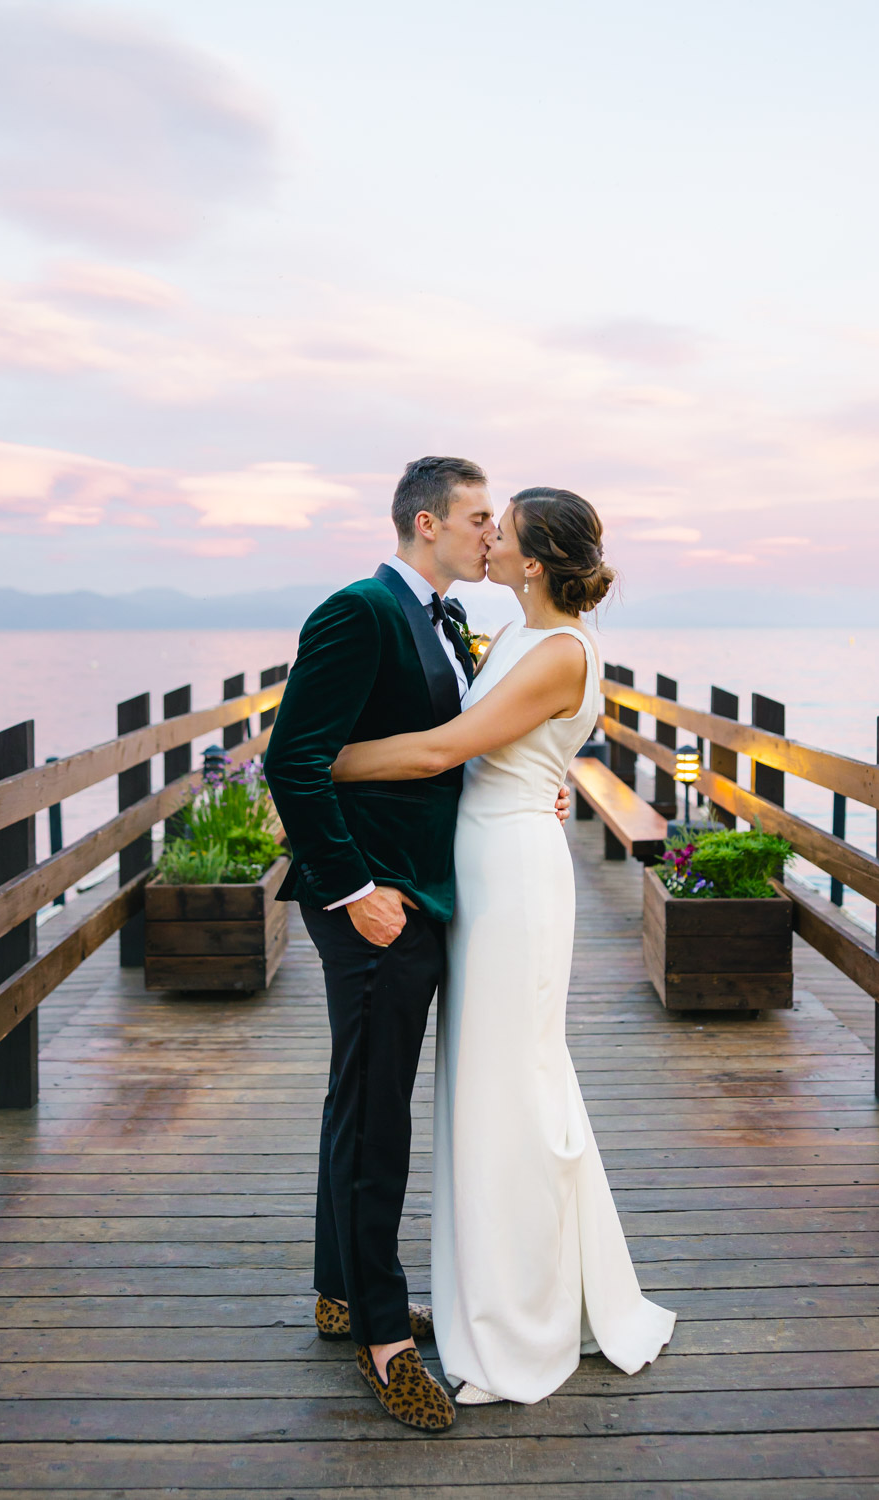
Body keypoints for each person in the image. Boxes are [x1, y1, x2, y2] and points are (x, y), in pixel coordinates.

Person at [331, 486, 677, 1407]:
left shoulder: (560, 648)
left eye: (503, 528)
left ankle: (521, 1309)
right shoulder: (515, 634)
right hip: (478, 862)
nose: (488, 535)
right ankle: (486, 1284)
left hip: (514, 875)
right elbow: (502, 750)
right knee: (481, 1082)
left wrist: (321, 759)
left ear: (532, 561)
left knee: (510, 1080)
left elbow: (443, 750)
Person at [263, 457, 571, 1431]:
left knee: (360, 1097)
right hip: (376, 903)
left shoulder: (445, 619)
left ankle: (342, 1290)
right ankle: (386, 1340)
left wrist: (535, 785)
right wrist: (355, 891)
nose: (493, 535)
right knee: (378, 1113)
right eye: (481, 518)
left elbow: (458, 745)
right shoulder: (361, 612)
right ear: (427, 522)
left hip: (427, 890)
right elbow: (292, 762)